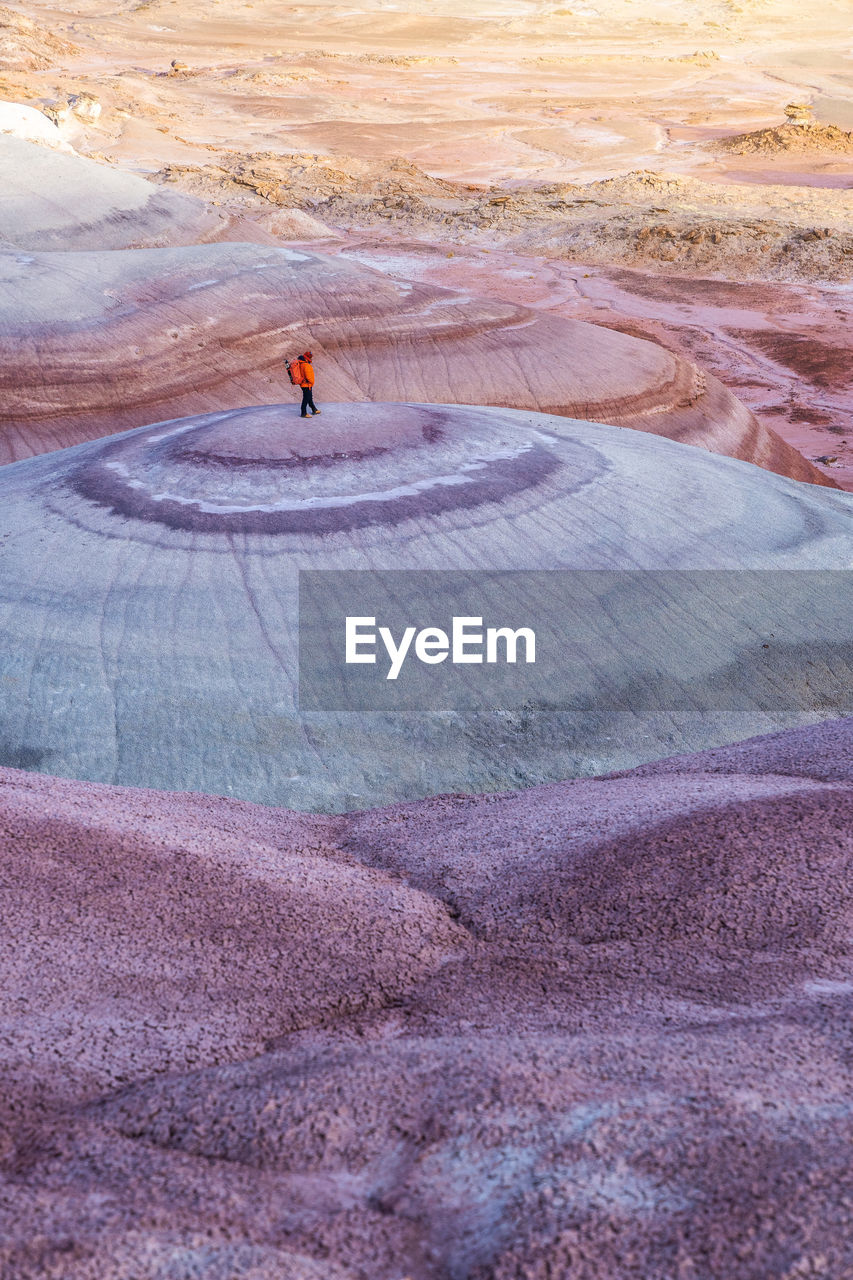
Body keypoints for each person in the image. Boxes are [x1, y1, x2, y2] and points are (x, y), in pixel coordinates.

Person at [297, 350, 320, 417]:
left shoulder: (301, 364)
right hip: (307, 384)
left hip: (303, 384)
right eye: (310, 357)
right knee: (306, 398)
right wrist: (312, 382)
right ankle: (303, 413)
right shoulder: (306, 365)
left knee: (309, 397)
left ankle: (314, 409)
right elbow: (308, 376)